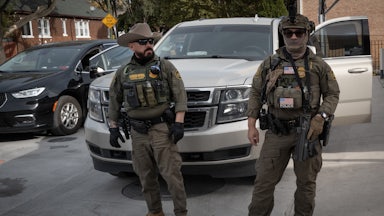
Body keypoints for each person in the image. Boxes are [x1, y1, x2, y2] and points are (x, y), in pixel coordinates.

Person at [246, 14, 340, 216]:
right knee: (263, 183)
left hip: (307, 133)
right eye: (289, 32)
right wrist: (251, 124)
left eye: (299, 32)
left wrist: (320, 117)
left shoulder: (318, 66)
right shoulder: (269, 64)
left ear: (307, 34)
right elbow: (255, 92)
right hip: (276, 133)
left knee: (306, 184)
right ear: (283, 35)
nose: (294, 36)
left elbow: (333, 94)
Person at [108, 23, 188, 216]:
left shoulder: (165, 66)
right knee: (145, 176)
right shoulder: (123, 73)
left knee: (172, 176)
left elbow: (180, 95)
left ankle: (181, 212)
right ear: (132, 46)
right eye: (143, 42)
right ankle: (155, 212)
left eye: (150, 41)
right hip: (137, 133)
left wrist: (178, 123)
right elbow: (114, 99)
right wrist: (113, 127)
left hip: (162, 129)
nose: (148, 45)